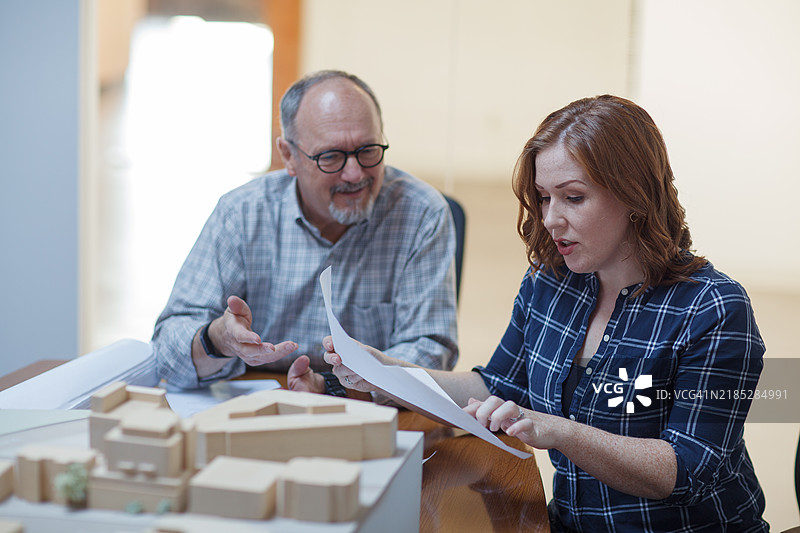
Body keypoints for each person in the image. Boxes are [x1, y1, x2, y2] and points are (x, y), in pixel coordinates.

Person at [322, 95, 768, 531]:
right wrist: (386, 370)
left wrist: (560, 431)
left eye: (573, 197)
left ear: (635, 196)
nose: (551, 218)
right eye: (542, 197)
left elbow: (685, 470)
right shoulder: (551, 282)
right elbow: (494, 385)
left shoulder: (713, 308)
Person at [152, 70, 458, 395]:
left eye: (368, 150)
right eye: (331, 157)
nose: (354, 174)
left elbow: (430, 355)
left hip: (364, 413)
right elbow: (166, 353)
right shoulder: (241, 213)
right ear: (289, 156)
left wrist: (330, 387)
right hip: (251, 410)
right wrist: (217, 339)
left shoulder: (420, 213)